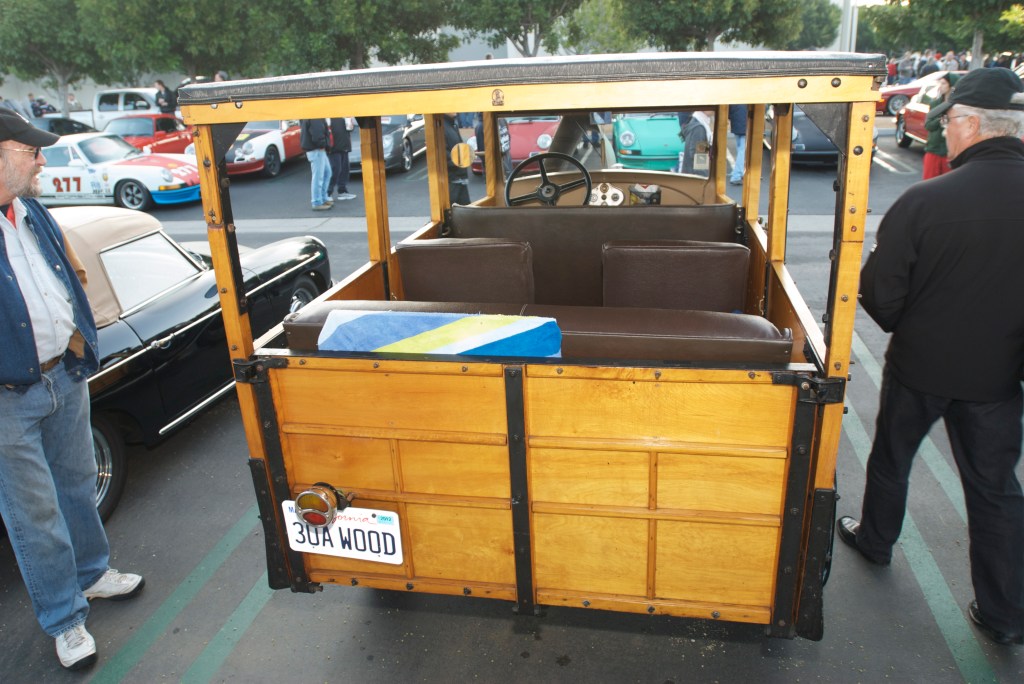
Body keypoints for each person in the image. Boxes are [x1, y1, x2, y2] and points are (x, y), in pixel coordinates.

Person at [838, 67, 1024, 647]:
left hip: (919, 366)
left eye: (950, 124)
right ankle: (1005, 613)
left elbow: (878, 290)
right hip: (998, 377)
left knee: (893, 458)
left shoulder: (926, 200)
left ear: (969, 123)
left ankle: (875, 540)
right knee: (995, 489)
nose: (946, 135)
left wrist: (909, 327)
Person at [0, 108, 145, 670]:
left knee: (79, 482)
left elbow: (67, 275)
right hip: (9, 397)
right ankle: (64, 619)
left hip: (64, 372)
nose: (41, 159)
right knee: (32, 513)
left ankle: (91, 574)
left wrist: (81, 338)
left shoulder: (32, 210)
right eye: (30, 150)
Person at [921, 72, 959, 179]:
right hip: (934, 149)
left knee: (949, 185)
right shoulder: (935, 104)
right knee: (929, 184)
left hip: (950, 152)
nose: (940, 86)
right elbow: (928, 125)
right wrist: (940, 120)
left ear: (952, 86)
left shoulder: (959, 106)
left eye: (943, 83)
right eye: (940, 83)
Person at [300, 118, 332, 211]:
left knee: (326, 173)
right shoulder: (315, 116)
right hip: (317, 149)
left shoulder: (312, 115)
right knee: (318, 177)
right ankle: (317, 202)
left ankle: (322, 198)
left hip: (318, 148)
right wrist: (323, 144)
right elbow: (317, 133)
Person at [442, 113, 470, 205]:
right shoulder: (441, 127)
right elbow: (443, 156)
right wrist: (460, 161)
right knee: (454, 213)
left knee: (466, 212)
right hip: (452, 180)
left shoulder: (452, 124)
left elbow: (460, 147)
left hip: (459, 178)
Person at [327, 117, 355, 202]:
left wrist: (350, 125)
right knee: (335, 169)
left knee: (345, 169)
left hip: (344, 145)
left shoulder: (345, 115)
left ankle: (342, 191)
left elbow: (349, 129)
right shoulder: (328, 116)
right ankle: (328, 192)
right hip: (333, 147)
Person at [677, 111, 712, 176]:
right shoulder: (699, 128)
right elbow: (699, 158)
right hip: (696, 179)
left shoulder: (696, 123)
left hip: (691, 176)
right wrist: (704, 179)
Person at [727, 104, 747, 186]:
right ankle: (737, 175)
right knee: (743, 149)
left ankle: (738, 171)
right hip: (744, 123)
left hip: (736, 122)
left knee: (740, 148)